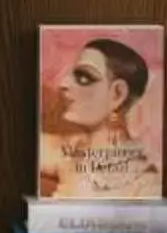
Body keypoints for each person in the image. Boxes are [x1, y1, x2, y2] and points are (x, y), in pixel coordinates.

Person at [39, 33, 158, 198]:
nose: (63, 84)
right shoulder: (70, 150)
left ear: (117, 94)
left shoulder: (146, 183)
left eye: (83, 77)